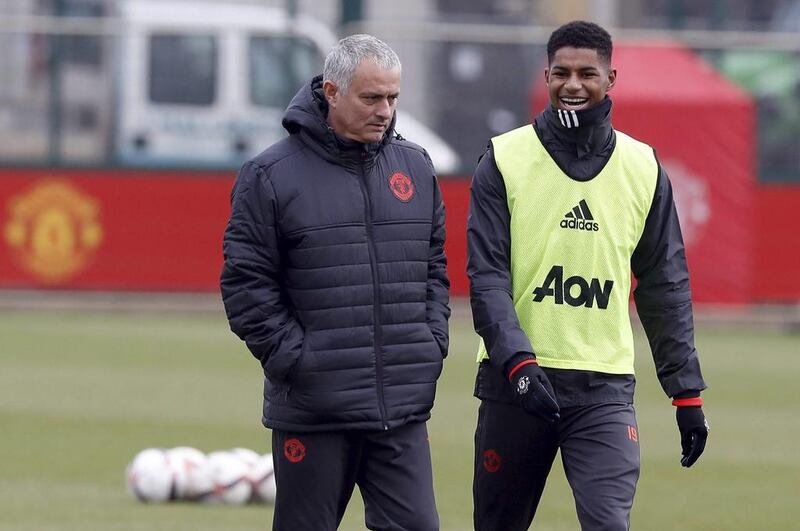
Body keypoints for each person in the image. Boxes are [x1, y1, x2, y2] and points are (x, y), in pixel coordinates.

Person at [467, 21, 709, 531]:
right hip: (516, 384)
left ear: (611, 77)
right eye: (561, 72)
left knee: (607, 524)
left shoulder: (643, 167)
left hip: (603, 390)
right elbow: (486, 277)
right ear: (547, 75)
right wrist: (518, 362)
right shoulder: (504, 157)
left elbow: (665, 284)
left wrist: (685, 393)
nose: (572, 84)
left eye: (586, 73)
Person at [220, 34, 450, 531]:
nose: (385, 110)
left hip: (402, 407)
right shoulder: (270, 175)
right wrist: (297, 360)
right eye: (372, 98)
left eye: (392, 97)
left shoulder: (416, 167)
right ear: (332, 91)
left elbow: (433, 267)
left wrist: (429, 343)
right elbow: (245, 285)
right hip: (315, 407)